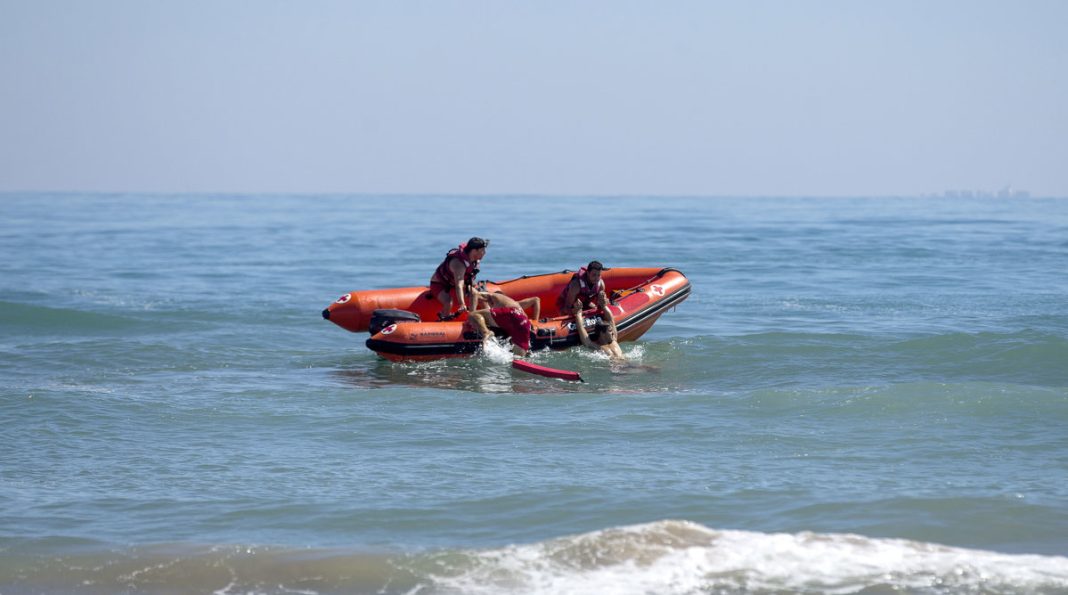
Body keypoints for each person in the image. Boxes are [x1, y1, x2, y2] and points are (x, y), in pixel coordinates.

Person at [429, 237, 488, 319]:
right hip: (439, 284)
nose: (485, 253)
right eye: (482, 250)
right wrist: (462, 304)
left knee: (476, 294)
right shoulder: (459, 264)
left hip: (454, 283)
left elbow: (466, 277)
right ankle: (443, 319)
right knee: (448, 302)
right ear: (474, 251)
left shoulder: (473, 259)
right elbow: (459, 285)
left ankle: (473, 318)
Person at [468, 291, 540, 356]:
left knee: (473, 314)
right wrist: (535, 321)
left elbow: (475, 294)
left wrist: (471, 315)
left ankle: (486, 332)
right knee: (518, 357)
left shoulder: (493, 296)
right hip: (525, 323)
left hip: (510, 314)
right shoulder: (514, 303)